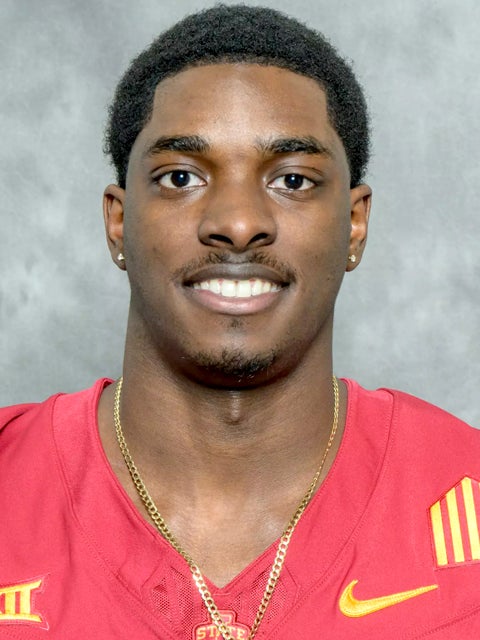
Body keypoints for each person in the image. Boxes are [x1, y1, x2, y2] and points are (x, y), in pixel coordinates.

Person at [1, 4, 479, 638]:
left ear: (354, 225)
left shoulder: (464, 498)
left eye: (292, 180)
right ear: (118, 222)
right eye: (180, 177)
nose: (237, 222)